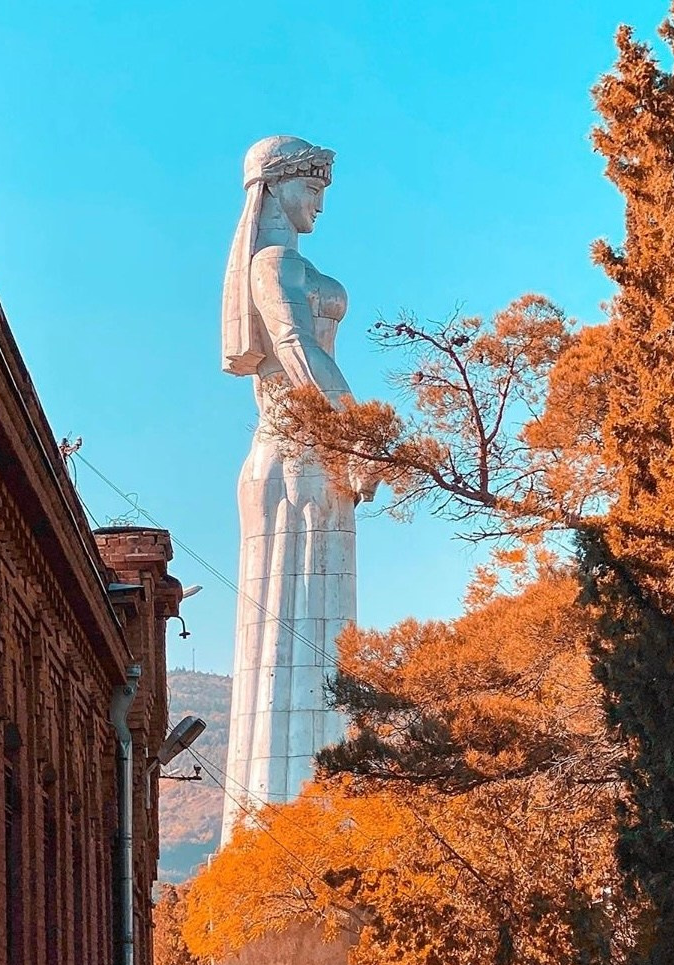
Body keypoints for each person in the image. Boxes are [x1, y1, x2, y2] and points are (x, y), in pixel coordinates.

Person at [219, 134, 374, 837]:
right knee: (287, 644)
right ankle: (283, 845)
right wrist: (355, 430)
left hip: (312, 458)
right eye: (312, 188)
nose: (318, 203)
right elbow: (293, 345)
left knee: (322, 637)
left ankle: (322, 829)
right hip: (297, 457)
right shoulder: (273, 261)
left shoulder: (290, 260)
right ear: (278, 186)